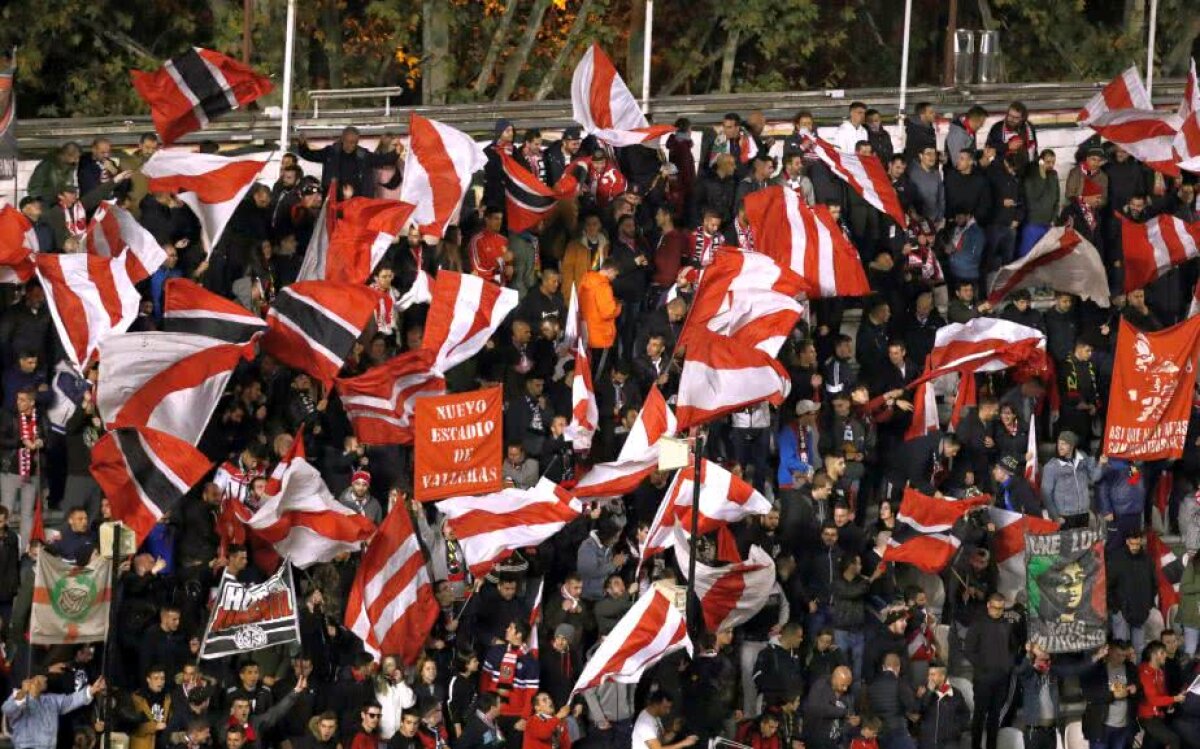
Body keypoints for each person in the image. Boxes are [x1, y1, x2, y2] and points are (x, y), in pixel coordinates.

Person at [3, 671, 106, 749]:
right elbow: (8, 709)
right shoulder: (22, 699)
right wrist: (23, 691)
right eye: (42, 678)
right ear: (33, 681)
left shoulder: (51, 699)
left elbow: (71, 701)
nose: (46, 679)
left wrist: (92, 690)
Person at [1137, 641, 1183, 749]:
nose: (1165, 655)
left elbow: (1163, 693)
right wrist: (1174, 699)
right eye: (1162, 653)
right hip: (1148, 718)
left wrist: (1169, 704)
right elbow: (1153, 700)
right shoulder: (1145, 673)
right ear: (1153, 655)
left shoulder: (1160, 672)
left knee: (1151, 744)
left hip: (1158, 715)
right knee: (1174, 739)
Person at [631, 691, 696, 749]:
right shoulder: (645, 724)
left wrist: (674, 730)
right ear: (656, 704)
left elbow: (662, 740)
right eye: (665, 707)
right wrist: (684, 743)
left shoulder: (655, 717)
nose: (668, 711)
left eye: (669, 708)